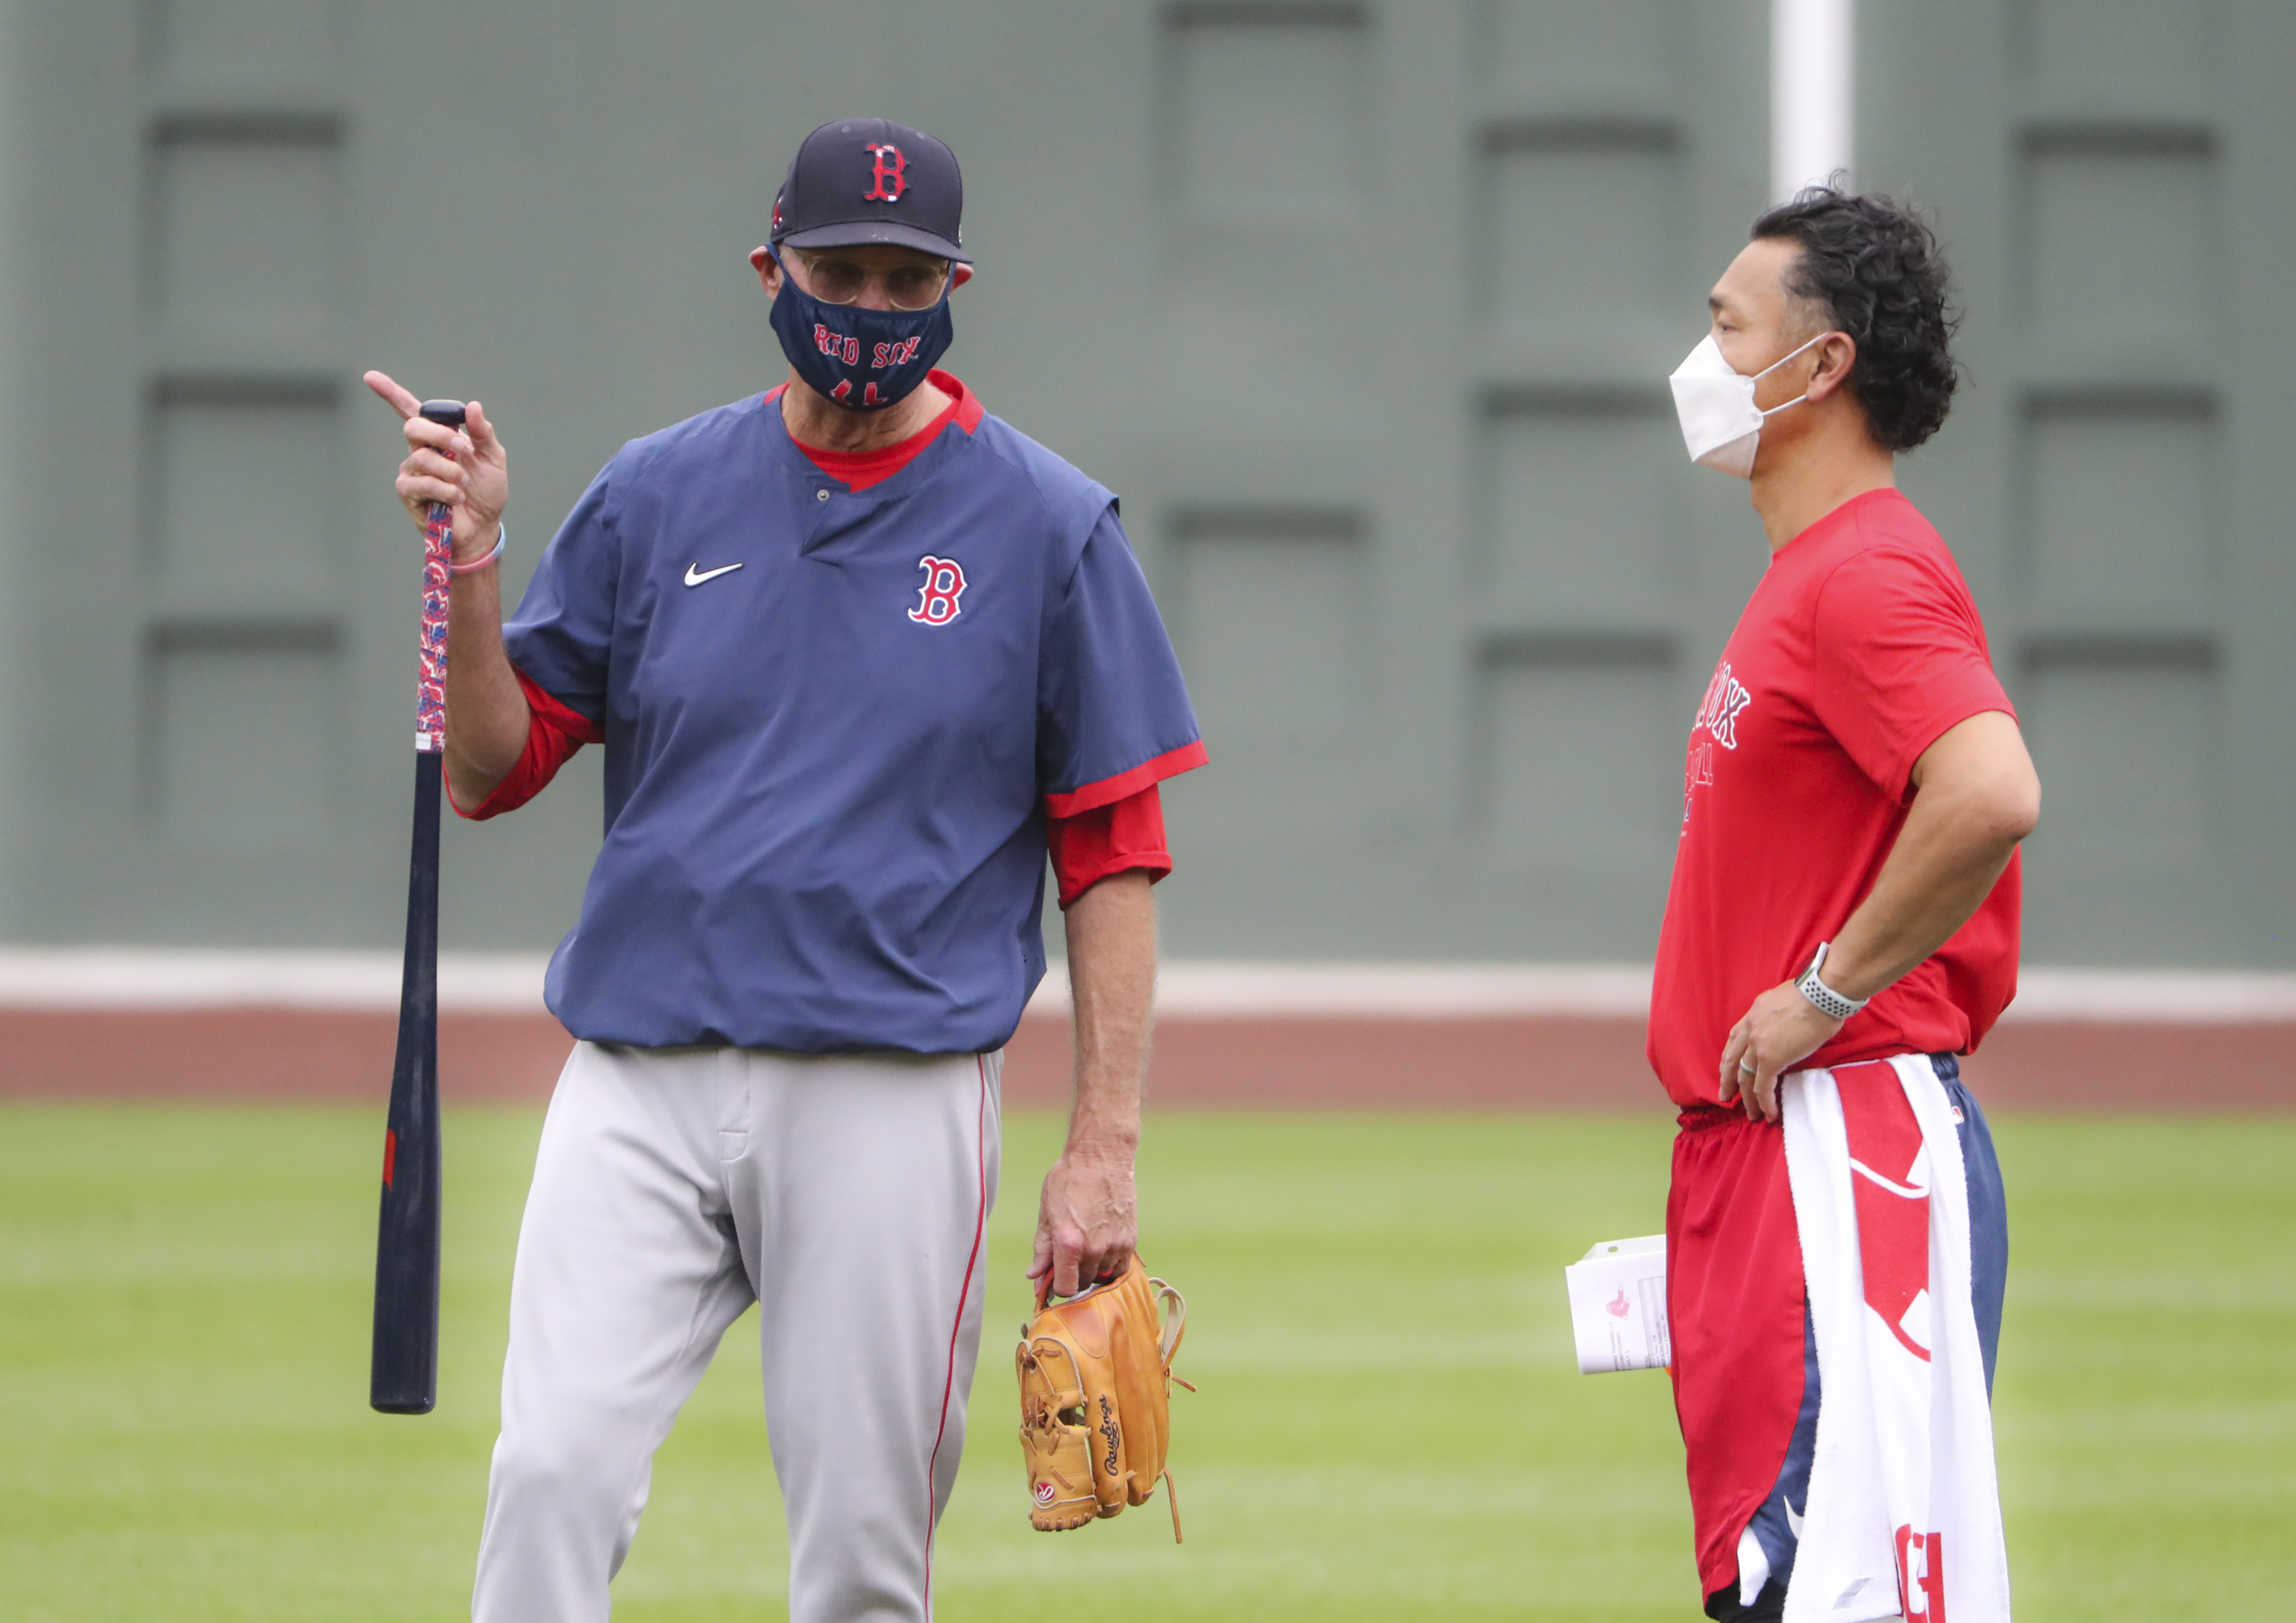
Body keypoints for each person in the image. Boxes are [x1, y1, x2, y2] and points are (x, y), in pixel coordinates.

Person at [364, 116, 1205, 1623]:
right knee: (549, 1469)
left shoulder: (1048, 523)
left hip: (888, 1087)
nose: (872, 310)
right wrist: (476, 560)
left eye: (906, 279)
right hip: (641, 1070)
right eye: (841, 272)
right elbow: (499, 762)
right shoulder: (657, 489)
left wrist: (1104, 1147)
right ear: (773, 269)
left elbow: (1113, 854)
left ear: (954, 287)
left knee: (864, 1554)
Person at [1648, 188, 2040, 1621]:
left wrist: (1826, 989)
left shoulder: (1866, 572)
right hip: (1773, 1153)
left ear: (1818, 372)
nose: (1699, 360)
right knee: (1777, 1578)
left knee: (1830, 1587)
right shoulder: (1807, 574)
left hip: (1844, 1139)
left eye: (1726, 326)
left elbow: (1991, 788)